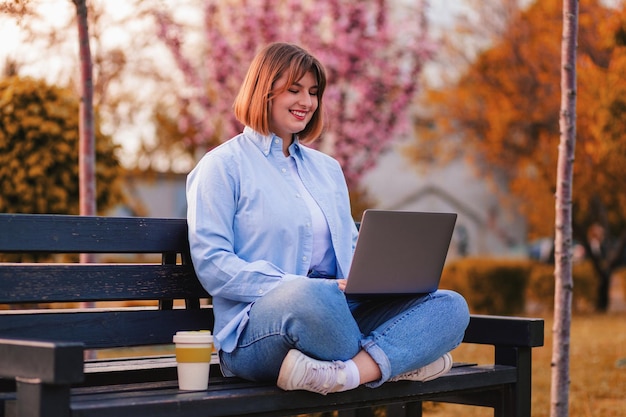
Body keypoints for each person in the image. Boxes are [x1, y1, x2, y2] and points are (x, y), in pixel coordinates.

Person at [186, 42, 470, 395]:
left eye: (313, 92)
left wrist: (380, 279)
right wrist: (298, 286)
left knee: (450, 306)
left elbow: (350, 246)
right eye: (294, 89)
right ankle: (395, 362)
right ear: (263, 90)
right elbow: (212, 264)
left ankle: (346, 374)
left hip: (340, 312)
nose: (306, 101)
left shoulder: (328, 170)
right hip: (258, 330)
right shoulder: (222, 167)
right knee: (312, 298)